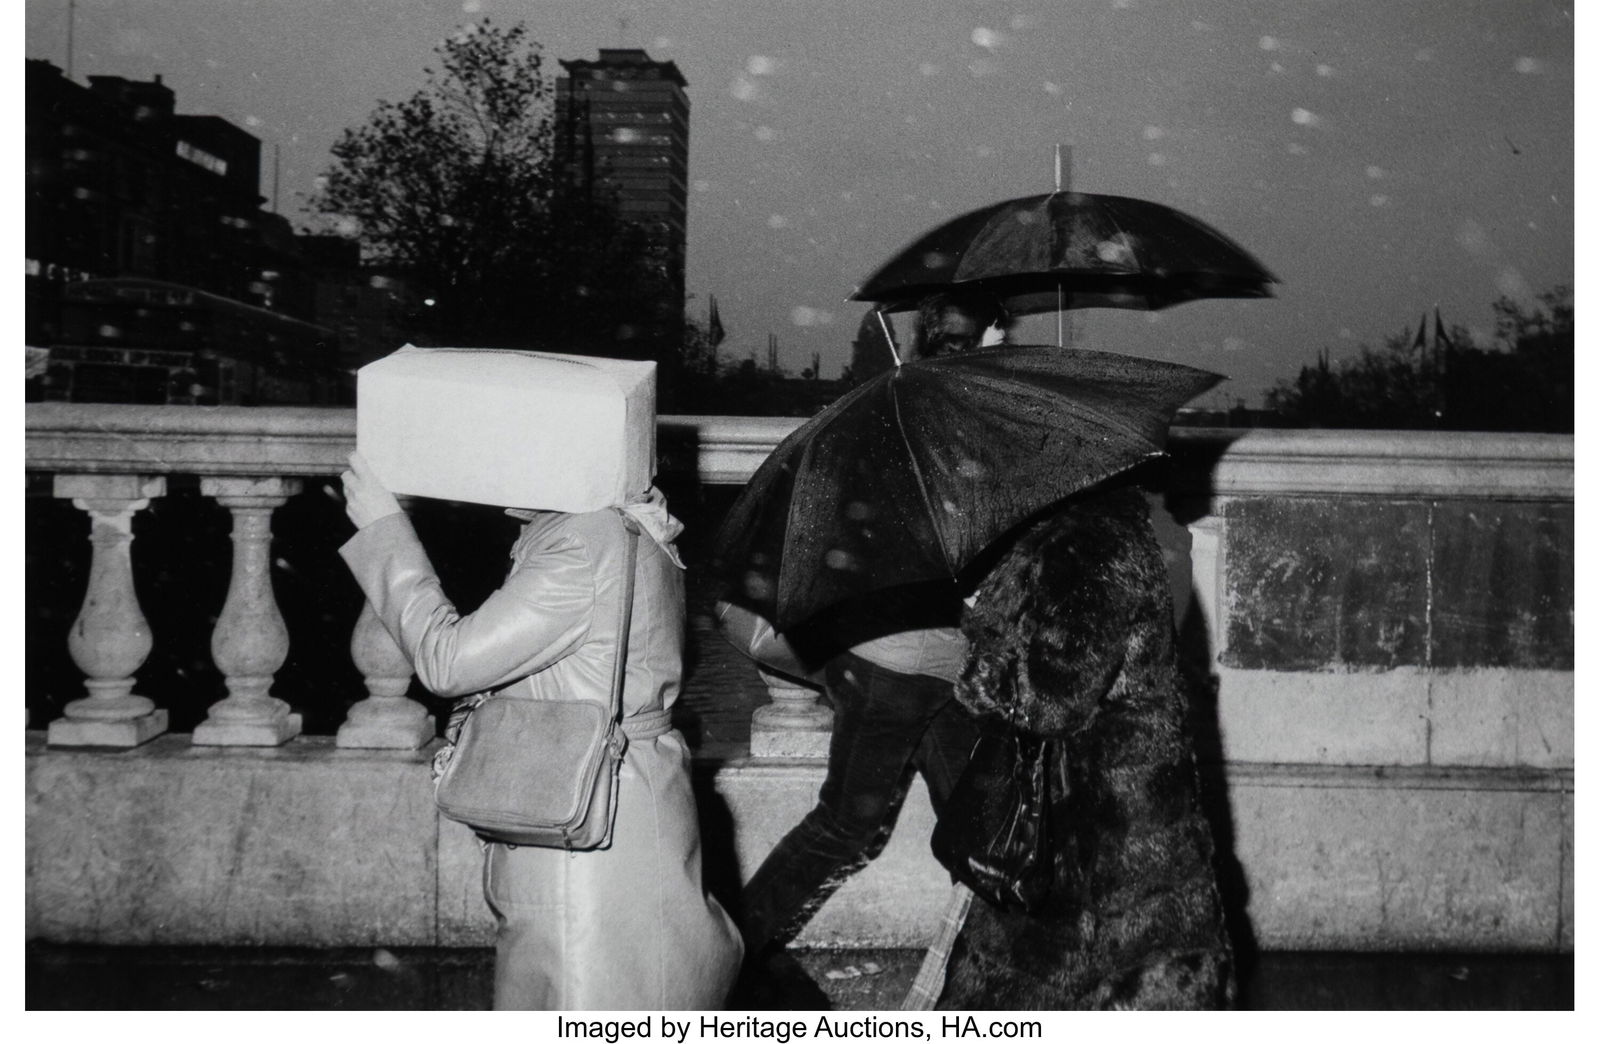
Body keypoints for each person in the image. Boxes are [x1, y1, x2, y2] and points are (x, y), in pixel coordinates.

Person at [339, 452, 743, 1010]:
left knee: (581, 996)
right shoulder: (621, 519)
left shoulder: (579, 544)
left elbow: (447, 661)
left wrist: (385, 530)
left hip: (584, 824)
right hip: (626, 796)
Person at [716, 290, 1011, 998]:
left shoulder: (888, 412)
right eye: (1001, 337)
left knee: (977, 828)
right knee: (854, 826)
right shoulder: (955, 427)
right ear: (978, 341)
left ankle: (1006, 962)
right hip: (905, 662)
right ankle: (726, 947)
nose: (1009, 349)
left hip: (899, 656)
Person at [934, 482, 1234, 1009]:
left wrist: (986, 655)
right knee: (1145, 969)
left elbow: (1052, 702)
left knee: (1037, 980)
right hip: (1134, 799)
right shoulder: (1134, 531)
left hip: (1084, 816)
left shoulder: (1088, 543)